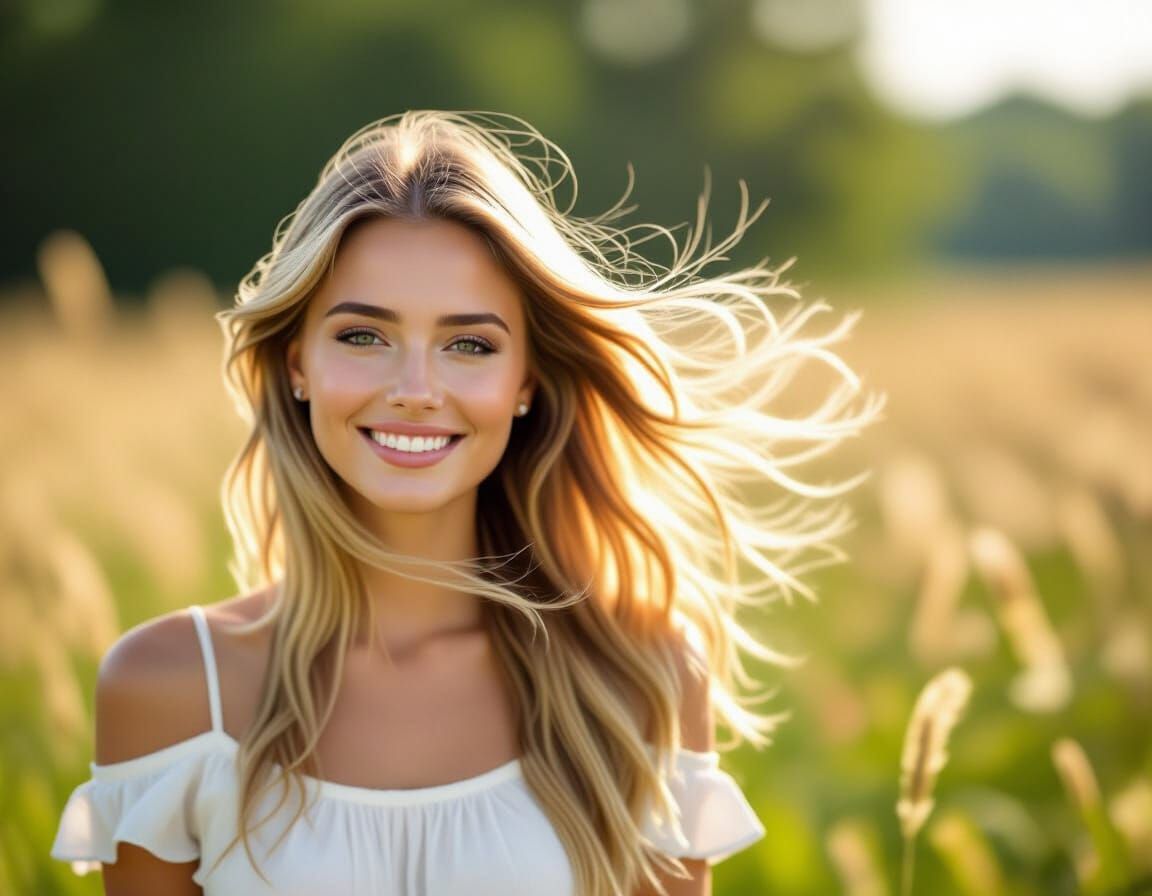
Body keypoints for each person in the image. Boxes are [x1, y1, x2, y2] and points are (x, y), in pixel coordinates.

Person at [51, 110, 883, 895]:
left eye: (469, 344)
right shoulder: (170, 688)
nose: (416, 389)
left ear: (526, 381)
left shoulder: (637, 675)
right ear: (297, 362)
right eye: (363, 335)